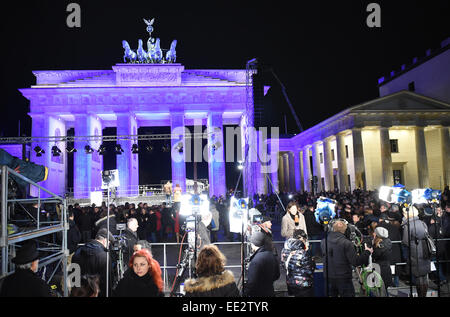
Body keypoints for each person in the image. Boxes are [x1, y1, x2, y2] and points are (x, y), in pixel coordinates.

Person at [321, 219, 372, 297]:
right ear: (345, 230)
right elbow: (355, 262)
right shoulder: (346, 243)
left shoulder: (323, 241)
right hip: (343, 278)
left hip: (328, 276)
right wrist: (367, 252)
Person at [72, 228, 114, 297]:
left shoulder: (77, 253)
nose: (108, 246)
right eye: (108, 243)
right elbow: (107, 283)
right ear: (105, 240)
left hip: (80, 293)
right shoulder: (104, 256)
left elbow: (73, 279)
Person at [402, 205, 432, 297]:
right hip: (425, 250)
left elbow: (405, 241)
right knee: (424, 276)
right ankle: (424, 295)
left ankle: (420, 295)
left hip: (415, 252)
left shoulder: (408, 225)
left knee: (419, 277)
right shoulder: (422, 223)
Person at [244, 231, 280, 297]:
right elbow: (277, 275)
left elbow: (252, 283)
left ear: (253, 244)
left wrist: (245, 293)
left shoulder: (256, 260)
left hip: (258, 293)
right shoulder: (271, 255)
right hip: (270, 291)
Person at [281, 229, 315, 297]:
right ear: (301, 238)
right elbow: (310, 270)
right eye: (305, 239)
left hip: (290, 282)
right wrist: (312, 261)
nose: (305, 241)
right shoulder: (303, 253)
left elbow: (283, 265)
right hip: (303, 285)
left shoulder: (285, 250)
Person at [371, 226, 393, 293]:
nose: (373, 234)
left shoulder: (381, 245)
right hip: (385, 266)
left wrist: (371, 250)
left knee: (381, 289)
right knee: (384, 288)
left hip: (380, 268)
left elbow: (375, 255)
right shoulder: (388, 241)